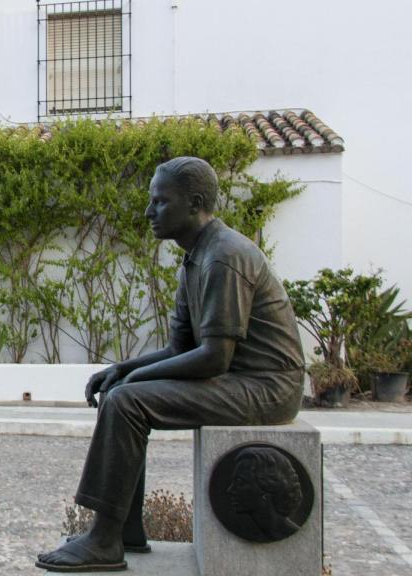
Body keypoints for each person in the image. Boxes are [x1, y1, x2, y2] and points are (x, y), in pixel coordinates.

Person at [36, 156, 305, 572]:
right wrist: (123, 369)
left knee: (128, 403)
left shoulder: (223, 257)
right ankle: (124, 530)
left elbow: (215, 357)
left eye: (160, 202)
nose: (149, 212)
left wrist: (134, 382)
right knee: (123, 392)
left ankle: (105, 541)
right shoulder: (195, 257)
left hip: (268, 388)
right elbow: (180, 347)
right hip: (241, 379)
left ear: (195, 203)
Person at [227, 446, 303, 541]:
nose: (229, 490)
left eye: (240, 482)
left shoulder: (285, 534)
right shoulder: (253, 530)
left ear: (267, 490)